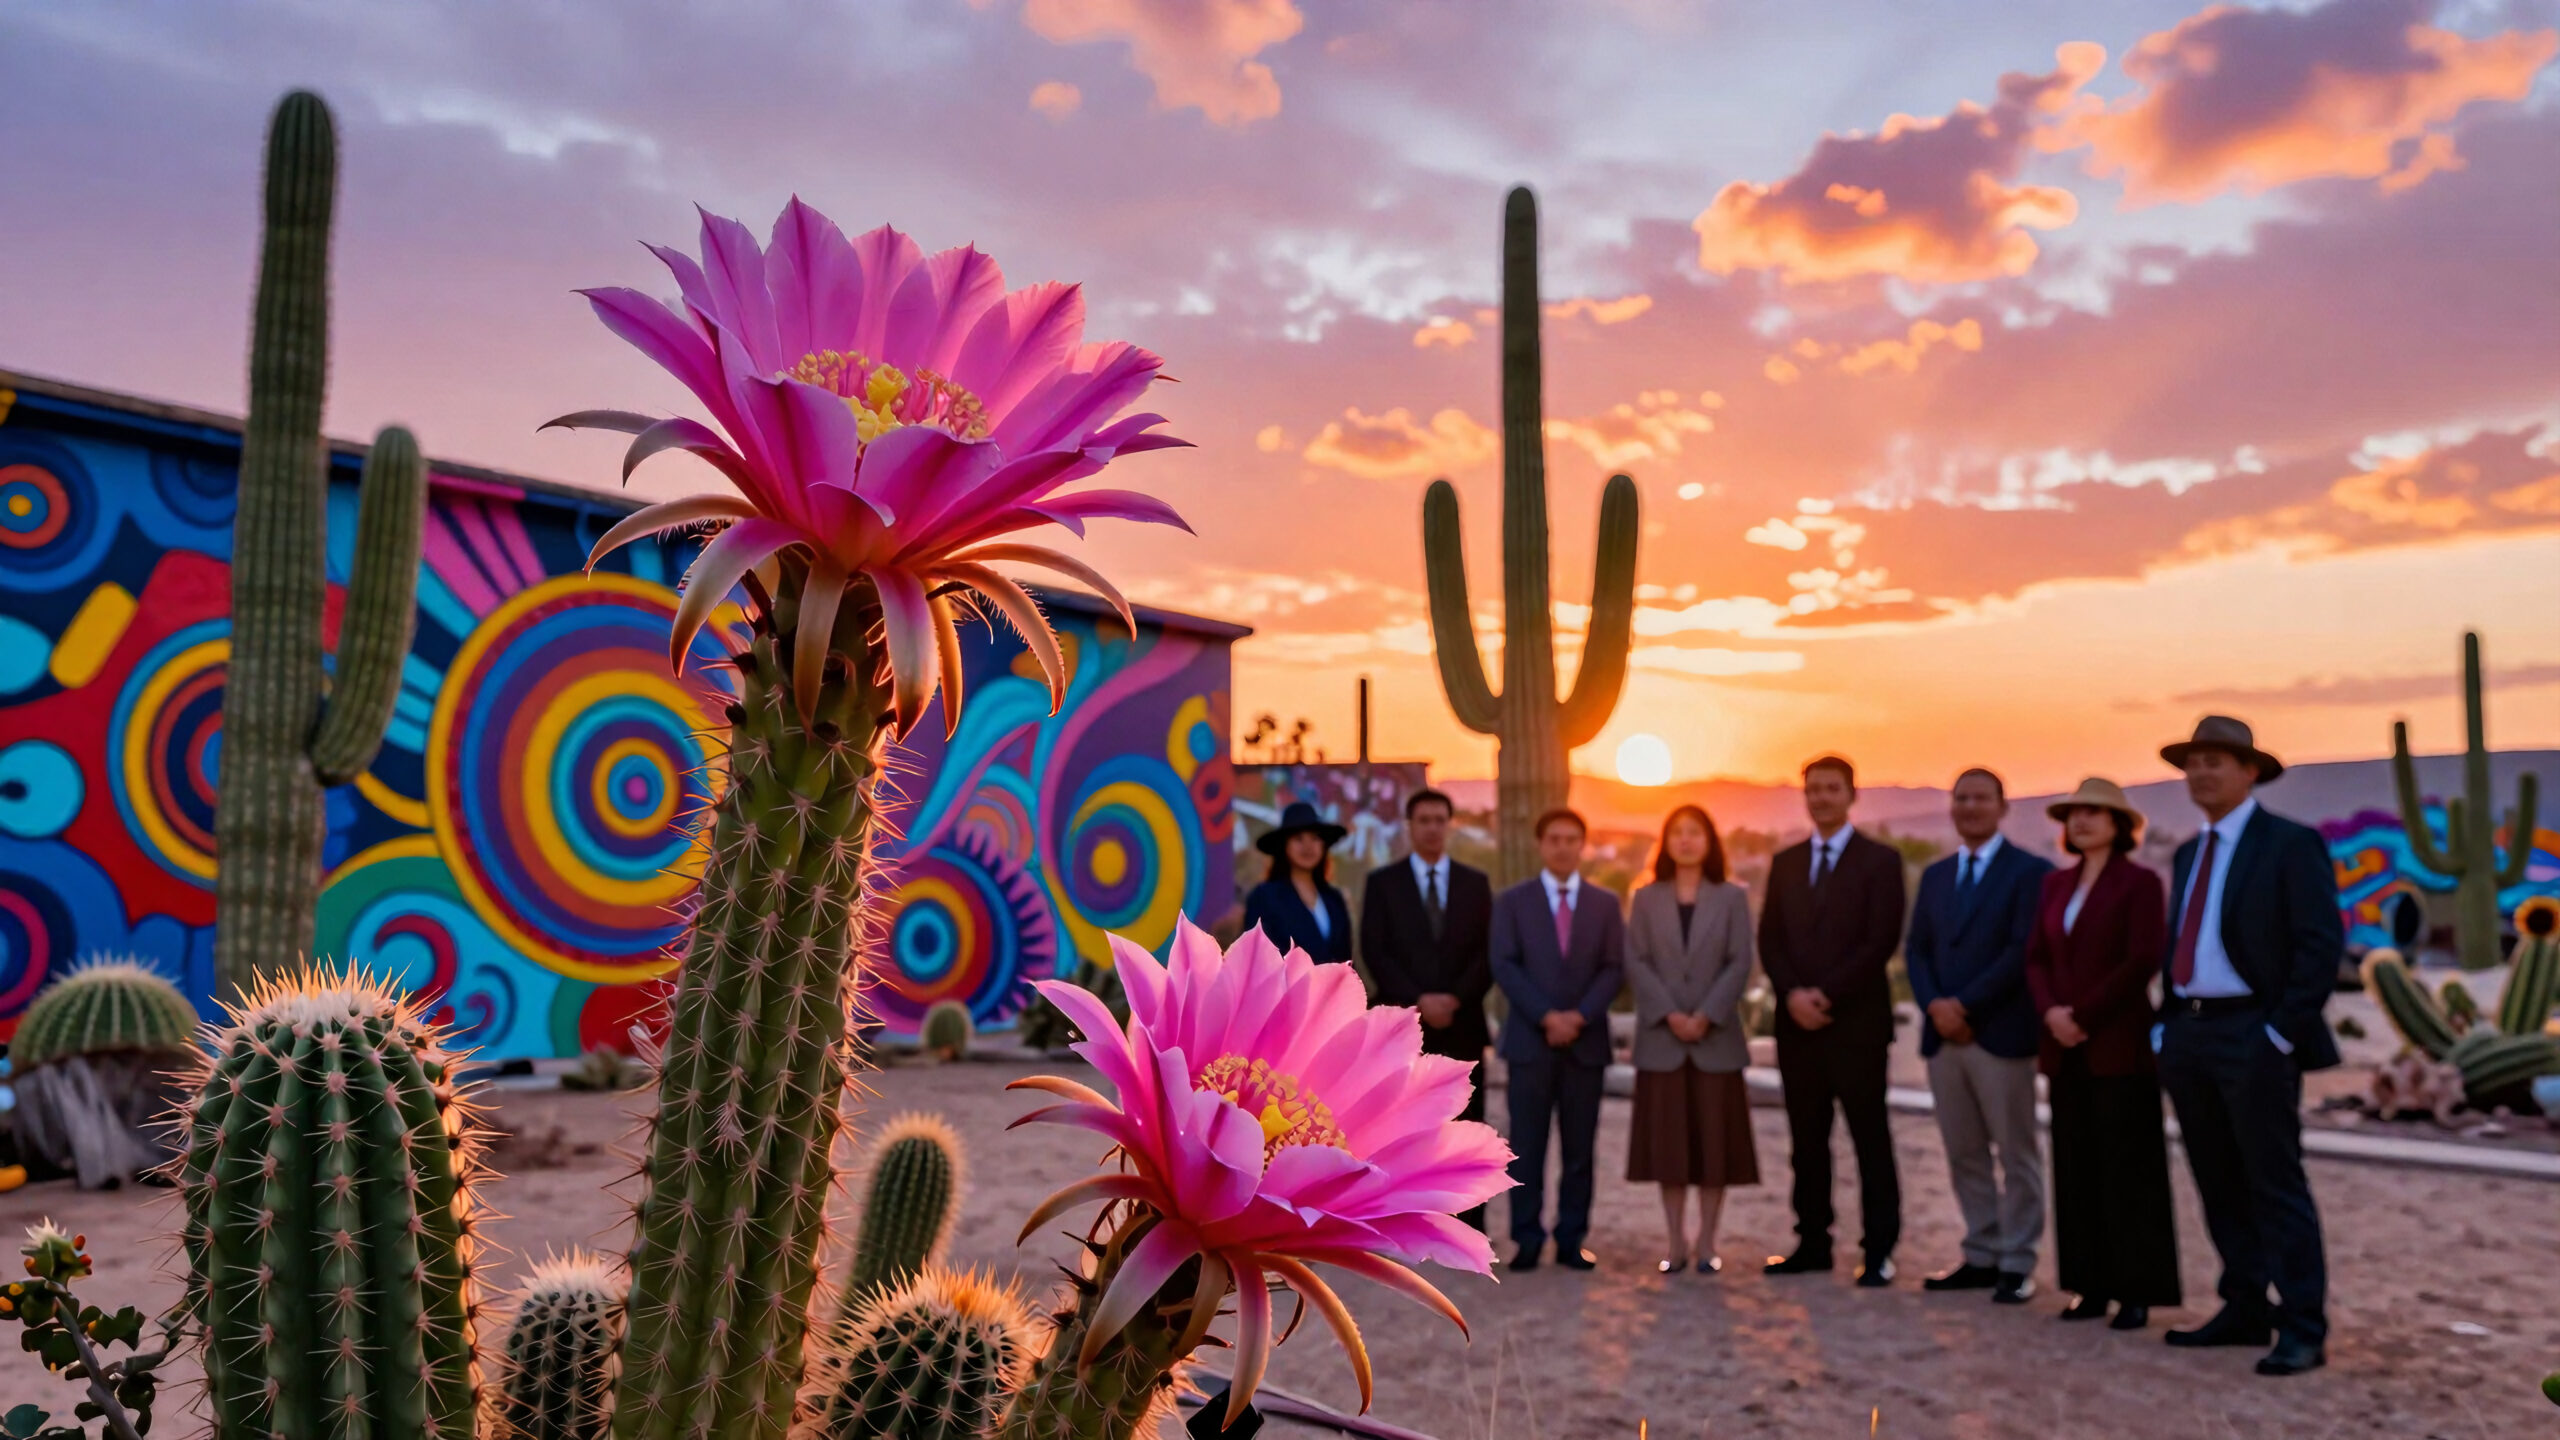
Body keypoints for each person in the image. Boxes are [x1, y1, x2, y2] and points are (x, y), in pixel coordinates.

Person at [2154, 716, 2342, 1377]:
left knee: (2274, 1181)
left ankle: (2301, 1326)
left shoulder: (2289, 845)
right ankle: (2243, 1306)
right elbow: (2185, 941)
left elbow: (2320, 946)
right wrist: (2165, 1026)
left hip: (2254, 1033)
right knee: (2217, 1178)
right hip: (2191, 1035)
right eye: (2193, 762)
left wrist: (2278, 1032)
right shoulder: (2186, 853)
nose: (2201, 772)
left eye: (2216, 761)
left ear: (2250, 770)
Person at [2026, 777, 2180, 1331]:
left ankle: (2135, 1291)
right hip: (2064, 1050)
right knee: (2075, 1165)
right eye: (2075, 814)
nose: (2082, 821)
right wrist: (2051, 1014)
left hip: (2117, 1046)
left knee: (2128, 1169)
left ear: (2120, 825)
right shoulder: (2054, 886)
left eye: (2095, 813)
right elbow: (2036, 958)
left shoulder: (2139, 884)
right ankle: (2088, 1285)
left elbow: (2141, 960)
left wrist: (2081, 1017)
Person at [1905, 768, 2053, 1304]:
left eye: (1980, 798)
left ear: (2002, 806)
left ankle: (2018, 1259)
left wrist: (1966, 1005)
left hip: (1999, 1035)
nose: (1969, 807)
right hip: (1944, 1039)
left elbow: (2021, 951)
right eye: (1961, 798)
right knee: (1963, 1150)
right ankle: (1981, 1251)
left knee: (2016, 1153)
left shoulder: (2030, 873)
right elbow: (1917, 950)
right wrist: (1936, 1006)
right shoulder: (1938, 875)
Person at [1760, 755, 1906, 1286]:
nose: (1820, 797)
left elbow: (1880, 941)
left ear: (1851, 794)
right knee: (1807, 1140)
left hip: (1857, 1025)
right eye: (1813, 788)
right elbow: (1770, 941)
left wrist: (1826, 995)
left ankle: (1880, 1249)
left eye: (1831, 788)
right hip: (1796, 1027)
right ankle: (1812, 1242)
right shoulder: (1786, 863)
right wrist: (1792, 994)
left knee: (1870, 1138)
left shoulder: (1881, 862)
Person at [1623, 805, 1759, 1275]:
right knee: (1670, 1147)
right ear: (1666, 841)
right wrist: (1671, 1014)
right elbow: (1636, 961)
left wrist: (1705, 1015)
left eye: (1695, 832)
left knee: (1714, 1146)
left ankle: (1707, 1241)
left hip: (1715, 1040)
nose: (1685, 840)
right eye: (1676, 832)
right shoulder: (1645, 898)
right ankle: (1676, 1240)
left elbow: (1740, 962)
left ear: (1709, 841)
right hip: (1663, 1040)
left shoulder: (1732, 898)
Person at [1490, 807, 1624, 1273]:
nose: (1563, 846)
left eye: (1572, 838)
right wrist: (1546, 1016)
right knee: (1526, 1146)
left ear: (1582, 844)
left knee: (1580, 1149)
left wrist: (1579, 1016)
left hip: (1585, 1045)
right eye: (1555, 839)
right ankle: (1526, 1238)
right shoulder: (1513, 903)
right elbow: (1504, 964)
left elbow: (1613, 968)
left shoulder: (1605, 904)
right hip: (1530, 1042)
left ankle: (1571, 1240)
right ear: (1541, 845)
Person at [1361, 787, 1496, 1230]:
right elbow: (1375, 951)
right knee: (1405, 1128)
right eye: (1424, 820)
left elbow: (1486, 952)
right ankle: (1404, 1220)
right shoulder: (1383, 884)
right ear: (1410, 826)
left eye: (1441, 820)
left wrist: (1454, 998)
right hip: (1407, 1027)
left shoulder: (1475, 885)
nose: (1433, 828)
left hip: (1462, 1023)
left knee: (1468, 1128)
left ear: (1449, 825)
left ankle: (1469, 1220)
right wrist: (1419, 1001)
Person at [1242, 800, 1353, 963]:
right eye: (1298, 838)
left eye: (1315, 838)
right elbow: (1258, 957)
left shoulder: (1333, 898)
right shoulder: (1264, 897)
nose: (1308, 846)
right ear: (1284, 846)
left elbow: (1345, 956)